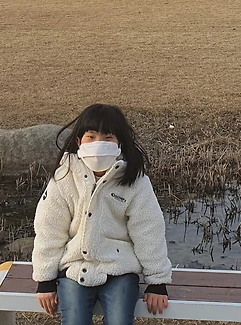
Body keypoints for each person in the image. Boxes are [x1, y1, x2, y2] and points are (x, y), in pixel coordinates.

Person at [32, 103, 172, 325]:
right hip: (74, 269)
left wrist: (157, 282)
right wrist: (45, 279)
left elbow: (148, 230)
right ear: (79, 141)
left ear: (119, 144)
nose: (99, 144)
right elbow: (49, 228)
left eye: (108, 138)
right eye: (91, 137)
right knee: (75, 320)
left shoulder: (135, 181)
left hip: (120, 271)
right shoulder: (64, 177)